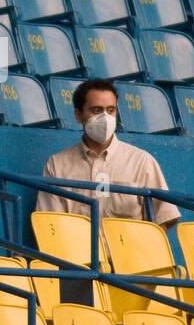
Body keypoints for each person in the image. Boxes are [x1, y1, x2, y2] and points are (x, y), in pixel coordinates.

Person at [36, 78, 179, 229]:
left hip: (126, 252)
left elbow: (162, 218)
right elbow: (50, 225)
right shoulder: (57, 165)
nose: (105, 118)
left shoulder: (142, 162)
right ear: (78, 115)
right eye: (96, 110)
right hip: (77, 252)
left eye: (110, 110)